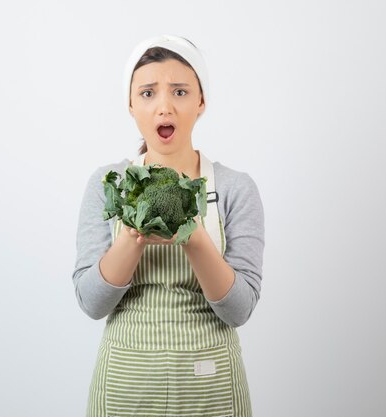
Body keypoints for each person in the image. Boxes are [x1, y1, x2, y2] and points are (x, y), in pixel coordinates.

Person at [72, 34, 265, 417]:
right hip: (127, 386)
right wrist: (132, 236)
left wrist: (193, 238)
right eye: (147, 93)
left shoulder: (234, 188)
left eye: (179, 91)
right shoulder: (106, 183)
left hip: (210, 387)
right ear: (130, 104)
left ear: (201, 101)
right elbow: (91, 302)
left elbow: (239, 310)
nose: (164, 106)